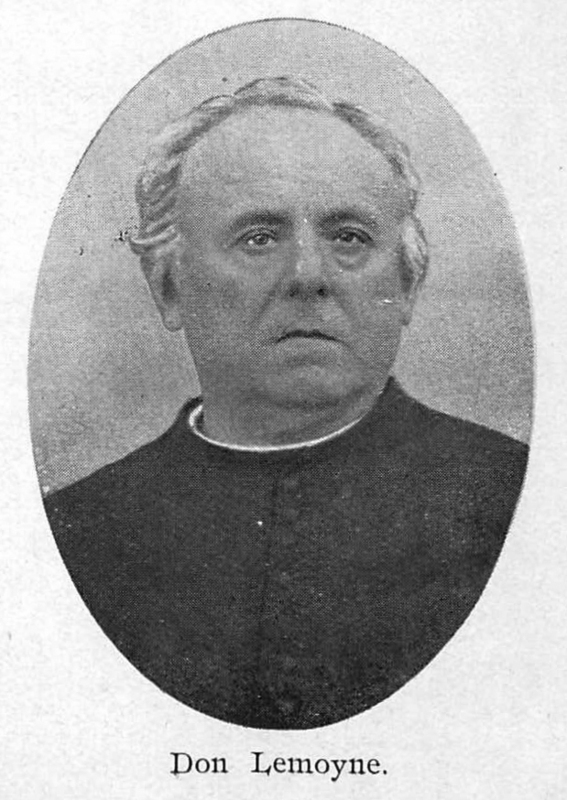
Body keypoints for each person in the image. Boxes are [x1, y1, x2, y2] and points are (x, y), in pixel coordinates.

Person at [44, 76, 528, 729]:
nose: (308, 275)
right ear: (168, 286)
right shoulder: (79, 531)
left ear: (408, 283)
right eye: (259, 238)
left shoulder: (517, 503)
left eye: (349, 237)